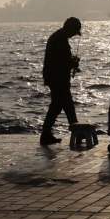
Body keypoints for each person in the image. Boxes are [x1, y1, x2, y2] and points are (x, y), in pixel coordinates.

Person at [40, 17, 82, 145]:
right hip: (58, 79)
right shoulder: (60, 39)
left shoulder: (58, 37)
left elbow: (61, 59)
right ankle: (76, 134)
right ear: (70, 28)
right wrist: (73, 62)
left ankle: (48, 134)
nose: (74, 35)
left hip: (55, 78)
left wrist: (71, 62)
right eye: (75, 32)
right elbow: (62, 62)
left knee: (62, 106)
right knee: (63, 106)